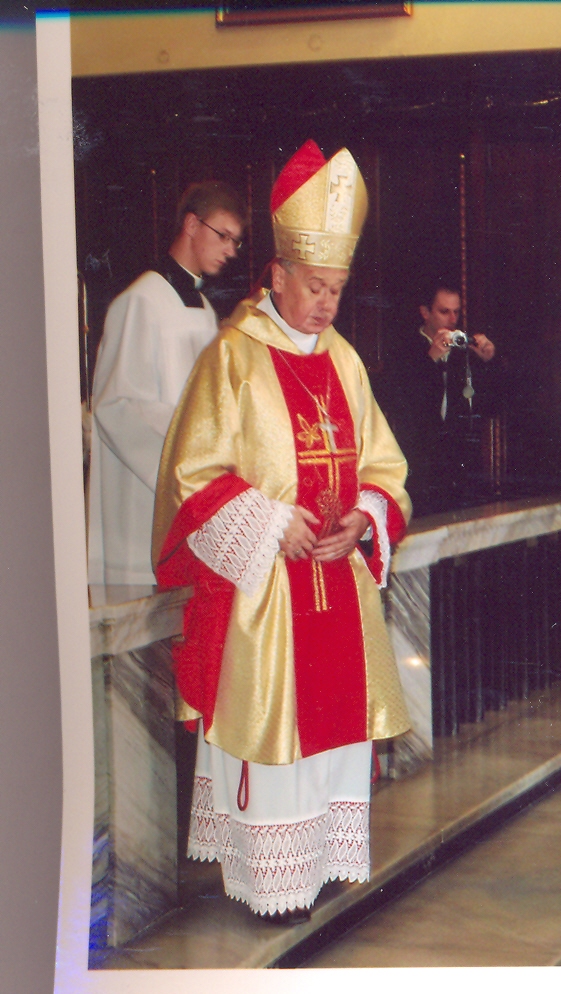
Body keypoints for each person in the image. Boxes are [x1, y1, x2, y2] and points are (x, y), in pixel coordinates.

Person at [151, 142, 411, 925]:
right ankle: (271, 884)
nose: (327, 304)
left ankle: (326, 867)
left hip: (336, 585)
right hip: (266, 595)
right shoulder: (232, 358)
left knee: (332, 745)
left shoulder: (346, 362)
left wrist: (363, 518)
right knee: (274, 735)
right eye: (315, 287)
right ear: (276, 277)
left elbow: (386, 464)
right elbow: (193, 473)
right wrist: (271, 521)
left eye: (336, 289)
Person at [87, 180, 245, 587]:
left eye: (235, 242)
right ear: (192, 225)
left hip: (192, 503)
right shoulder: (139, 300)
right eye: (223, 236)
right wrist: (191, 446)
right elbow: (116, 405)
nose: (230, 250)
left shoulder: (207, 310)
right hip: (144, 504)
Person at [374, 282, 504, 516]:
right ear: (425, 313)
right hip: (419, 465)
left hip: (460, 465)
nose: (452, 319)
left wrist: (489, 360)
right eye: (444, 311)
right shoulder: (404, 348)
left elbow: (493, 404)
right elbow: (399, 401)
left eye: (456, 311)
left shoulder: (463, 350)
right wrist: (430, 360)